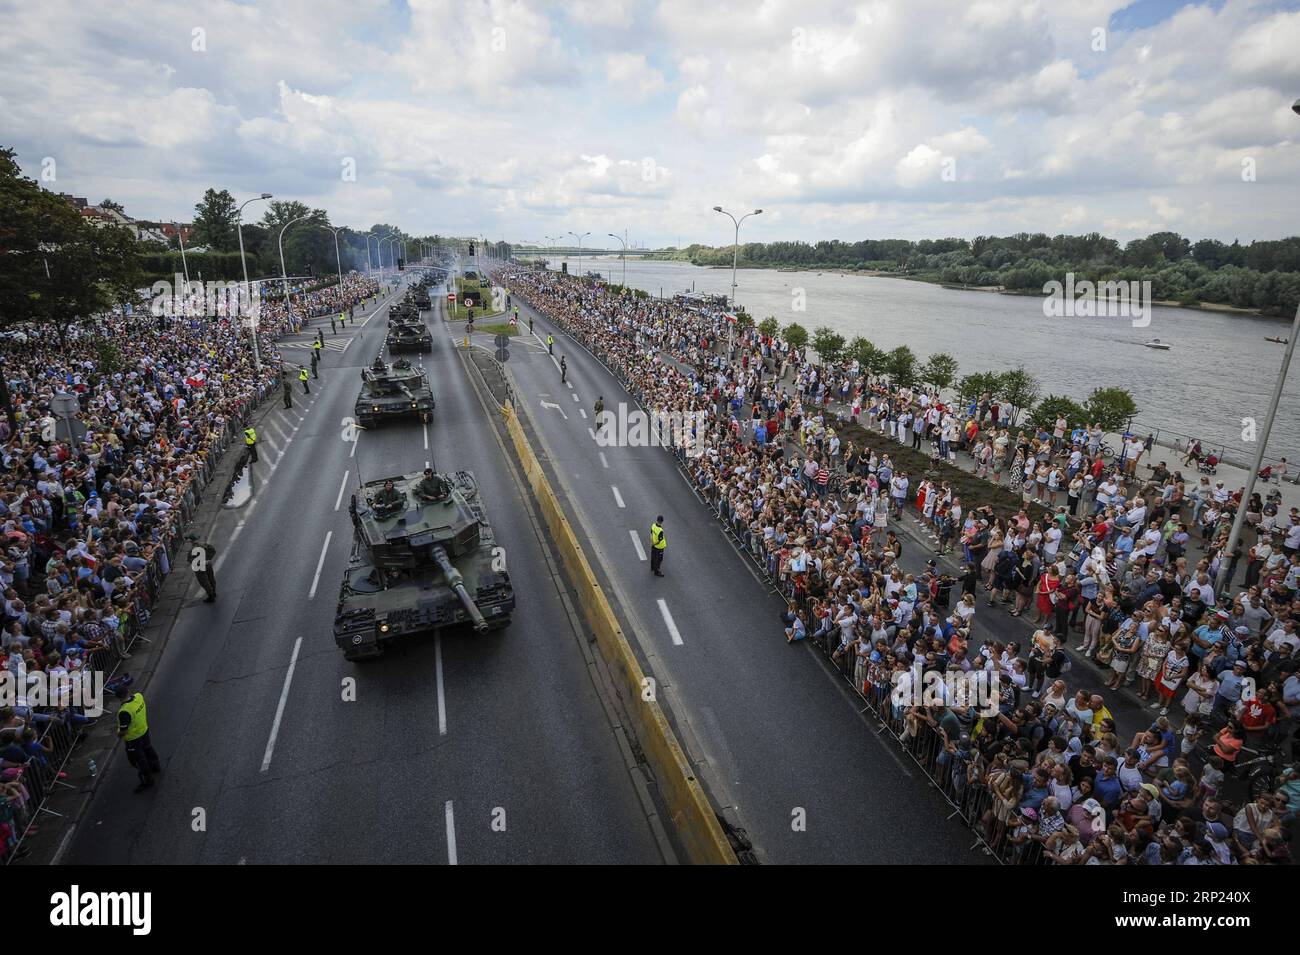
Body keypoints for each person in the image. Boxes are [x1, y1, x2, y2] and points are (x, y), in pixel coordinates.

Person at [117, 689, 161, 793]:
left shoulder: (124, 711)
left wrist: (118, 734)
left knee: (138, 760)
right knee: (148, 749)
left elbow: (123, 731)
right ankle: (155, 766)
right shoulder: (139, 697)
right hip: (144, 731)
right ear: (128, 692)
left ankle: (147, 780)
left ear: (118, 698)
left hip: (133, 739)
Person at [186, 534, 217, 604]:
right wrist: (209, 558)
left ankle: (211, 595)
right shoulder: (204, 544)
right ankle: (214, 591)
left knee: (204, 581)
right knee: (211, 578)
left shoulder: (192, 550)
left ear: (191, 541)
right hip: (208, 563)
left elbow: (190, 560)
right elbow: (213, 550)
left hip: (200, 566)